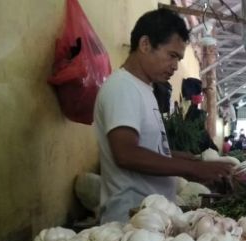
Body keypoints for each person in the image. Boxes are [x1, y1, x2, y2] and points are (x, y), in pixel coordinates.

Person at [94, 8, 234, 223]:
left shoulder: (145, 89)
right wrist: (193, 168)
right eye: (172, 56)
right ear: (145, 45)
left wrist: (191, 160)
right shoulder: (122, 87)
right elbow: (126, 153)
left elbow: (151, 150)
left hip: (150, 220)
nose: (175, 67)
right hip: (129, 223)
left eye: (179, 59)